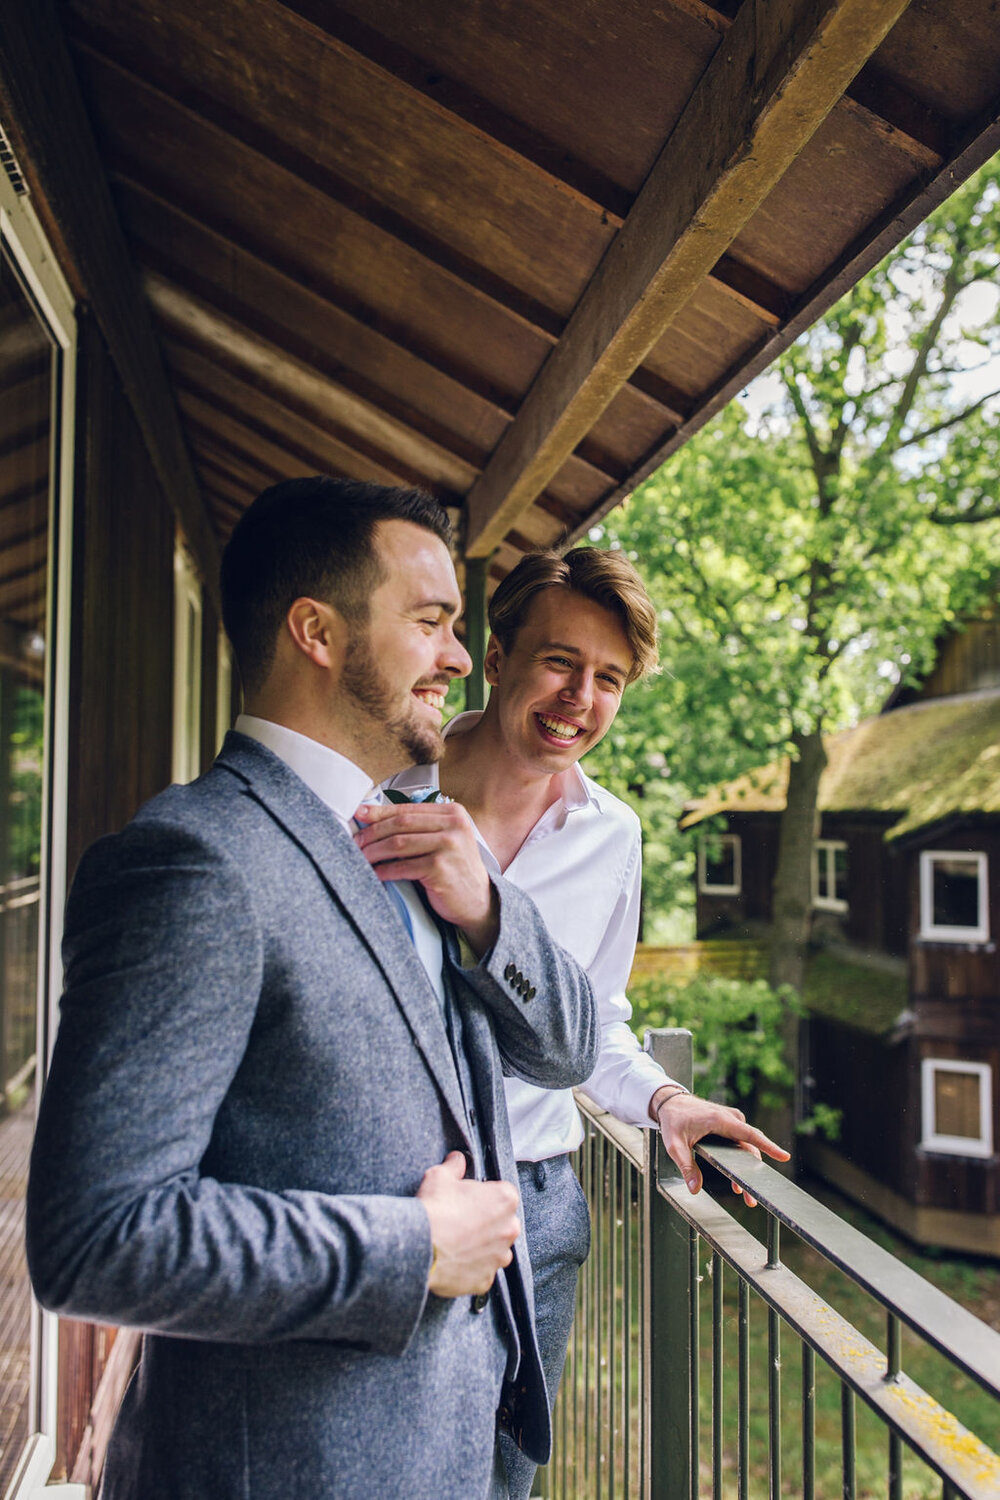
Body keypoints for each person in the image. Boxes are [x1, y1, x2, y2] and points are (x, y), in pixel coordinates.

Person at [26, 479, 599, 1500]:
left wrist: (489, 911)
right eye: (431, 624)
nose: (462, 661)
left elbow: (566, 1054)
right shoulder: (192, 864)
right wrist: (411, 1249)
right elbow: (97, 1242)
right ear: (316, 633)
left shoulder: (416, 840)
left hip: (446, 1445)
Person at [374, 546, 789, 1498]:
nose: (579, 700)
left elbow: (594, 1021)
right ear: (498, 649)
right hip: (399, 1193)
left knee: (499, 1480)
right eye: (561, 662)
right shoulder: (387, 791)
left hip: (538, 1208)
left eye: (608, 680)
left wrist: (666, 1102)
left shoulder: (615, 835)